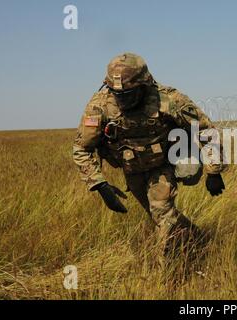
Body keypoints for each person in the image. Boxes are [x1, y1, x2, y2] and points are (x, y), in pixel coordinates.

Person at [73, 53, 226, 266]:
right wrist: (99, 184)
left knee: (162, 211)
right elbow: (82, 148)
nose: (123, 99)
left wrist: (214, 171)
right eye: (117, 94)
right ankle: (199, 239)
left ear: (144, 84)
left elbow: (207, 131)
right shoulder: (99, 106)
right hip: (132, 169)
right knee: (159, 215)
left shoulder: (169, 99)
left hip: (164, 163)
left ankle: (169, 275)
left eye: (128, 93)